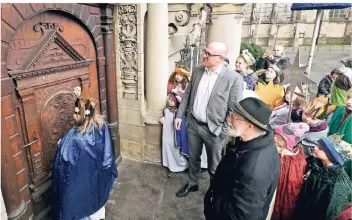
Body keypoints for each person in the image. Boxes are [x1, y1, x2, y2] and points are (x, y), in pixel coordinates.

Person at [174, 42, 243, 198]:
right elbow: (187, 94)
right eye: (205, 51)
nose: (204, 55)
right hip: (193, 124)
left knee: (215, 166)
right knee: (193, 157)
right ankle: (192, 184)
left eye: (208, 53)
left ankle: (214, 192)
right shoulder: (198, 71)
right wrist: (180, 115)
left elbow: (234, 109)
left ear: (220, 58)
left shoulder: (233, 79)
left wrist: (223, 132)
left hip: (215, 130)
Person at [204, 97, 279, 220]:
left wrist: (214, 201)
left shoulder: (254, 170)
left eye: (234, 118)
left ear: (249, 127)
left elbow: (241, 216)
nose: (228, 119)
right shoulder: (255, 141)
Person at [51, 96, 118, 220]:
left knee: (83, 204)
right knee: (96, 197)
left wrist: (61, 145)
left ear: (78, 115)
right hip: (97, 175)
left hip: (81, 180)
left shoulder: (76, 138)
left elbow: (67, 160)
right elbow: (107, 154)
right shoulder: (101, 126)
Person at [294, 136, 352, 220]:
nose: (315, 147)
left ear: (331, 156)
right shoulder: (318, 166)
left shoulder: (337, 183)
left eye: (320, 148)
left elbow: (331, 213)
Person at [271, 123, 309, 220]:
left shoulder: (288, 161)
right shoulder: (297, 153)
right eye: (275, 134)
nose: (274, 138)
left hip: (280, 199)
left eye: (279, 137)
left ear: (288, 142)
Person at [161, 68, 190, 178]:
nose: (178, 77)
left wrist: (177, 96)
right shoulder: (170, 85)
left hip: (178, 116)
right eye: (177, 74)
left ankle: (180, 166)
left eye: (181, 75)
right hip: (169, 115)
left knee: (176, 142)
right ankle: (170, 165)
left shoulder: (186, 87)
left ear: (184, 77)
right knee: (166, 141)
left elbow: (185, 103)